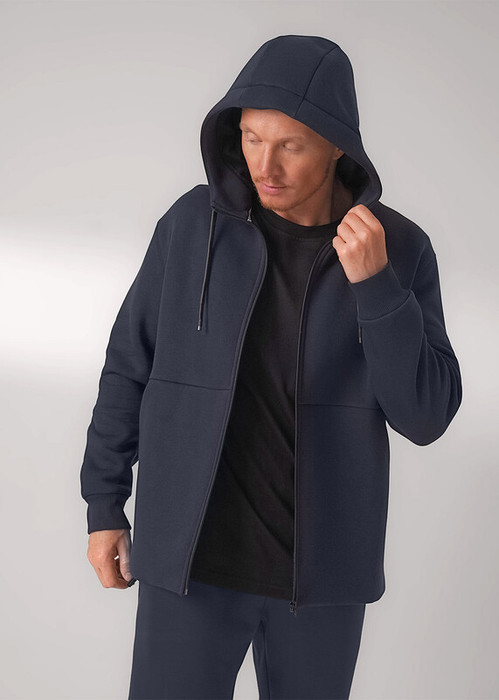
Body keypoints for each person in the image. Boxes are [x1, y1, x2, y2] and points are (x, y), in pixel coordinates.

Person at [80, 34, 462, 699]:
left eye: (291, 145)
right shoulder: (190, 226)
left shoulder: (398, 249)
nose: (265, 165)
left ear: (337, 145)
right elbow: (128, 366)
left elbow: (425, 415)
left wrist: (377, 288)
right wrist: (103, 503)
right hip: (189, 565)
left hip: (321, 584)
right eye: (252, 139)